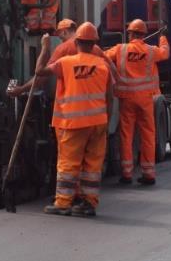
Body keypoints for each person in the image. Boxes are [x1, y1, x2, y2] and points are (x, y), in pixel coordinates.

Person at [33, 22, 114, 217]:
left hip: (73, 123)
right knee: (92, 166)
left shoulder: (66, 63)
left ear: (76, 41)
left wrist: (45, 47)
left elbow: (39, 72)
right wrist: (106, 120)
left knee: (69, 164)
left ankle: (63, 202)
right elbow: (109, 96)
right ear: (94, 43)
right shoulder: (103, 66)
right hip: (98, 123)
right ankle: (88, 204)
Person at [104, 18, 169, 186]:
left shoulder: (121, 49)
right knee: (148, 134)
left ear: (130, 33)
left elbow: (104, 57)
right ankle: (148, 173)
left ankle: (126, 174)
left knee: (126, 135)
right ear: (144, 34)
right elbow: (165, 53)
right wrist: (162, 37)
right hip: (146, 99)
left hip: (127, 99)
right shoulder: (151, 51)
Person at [6, 18, 110, 98]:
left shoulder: (63, 49)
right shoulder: (97, 50)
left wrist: (21, 89)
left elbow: (41, 75)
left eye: (61, 37)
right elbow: (111, 75)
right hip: (94, 110)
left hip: (72, 111)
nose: (61, 40)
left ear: (64, 32)